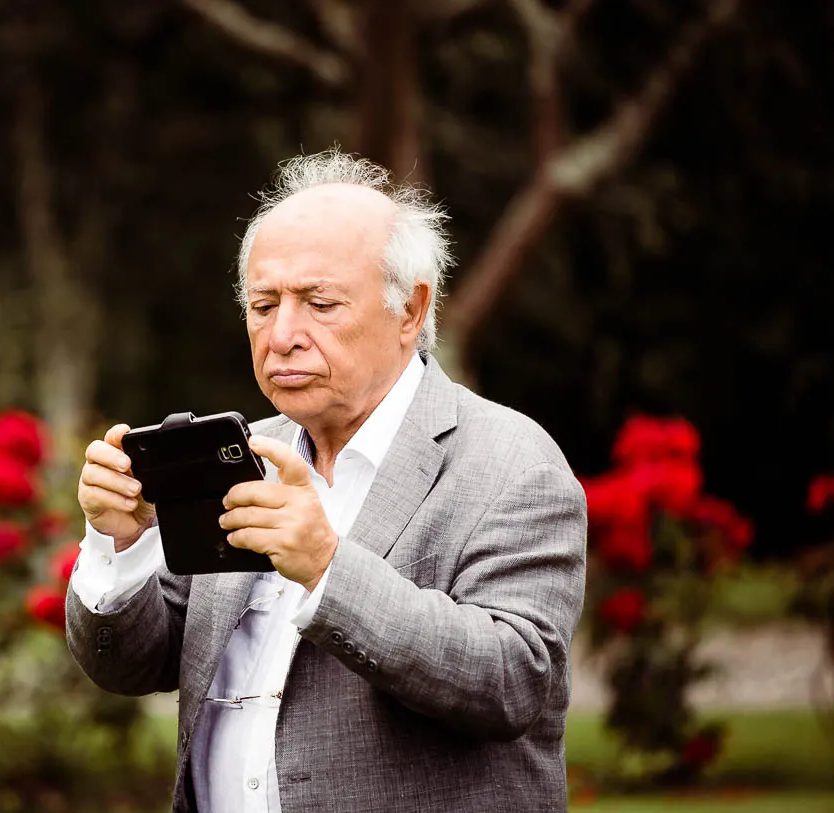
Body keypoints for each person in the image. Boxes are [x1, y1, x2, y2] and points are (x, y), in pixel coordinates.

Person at [66, 149, 587, 812]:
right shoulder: (240, 455)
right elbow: (131, 663)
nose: (282, 334)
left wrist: (326, 568)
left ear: (410, 309)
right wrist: (117, 547)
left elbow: (511, 679)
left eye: (319, 302)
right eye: (263, 304)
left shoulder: (511, 463)